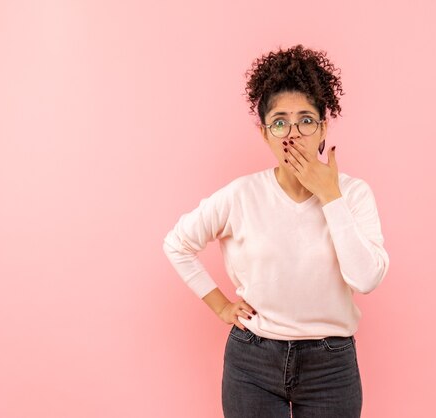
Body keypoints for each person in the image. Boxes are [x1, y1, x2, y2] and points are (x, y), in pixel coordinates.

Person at [162, 44, 390, 418]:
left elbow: (365, 279)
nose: (292, 133)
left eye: (305, 120)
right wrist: (219, 304)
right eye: (280, 122)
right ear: (265, 132)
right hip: (252, 360)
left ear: (323, 127)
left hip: (330, 366)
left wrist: (330, 195)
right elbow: (177, 243)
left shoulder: (353, 193)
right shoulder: (241, 194)